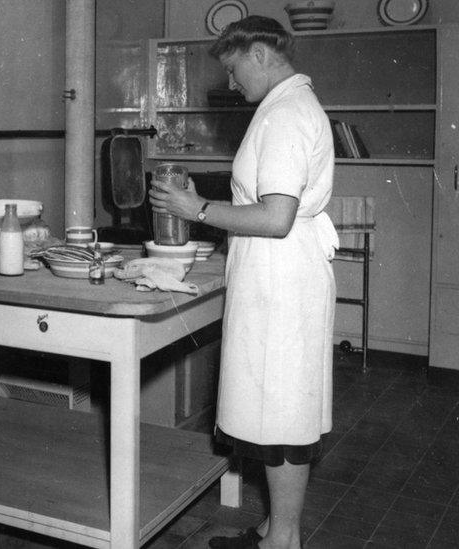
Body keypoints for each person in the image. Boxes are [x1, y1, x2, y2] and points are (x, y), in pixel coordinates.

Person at [149, 15, 339, 549]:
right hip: (283, 277)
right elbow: (267, 197)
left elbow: (275, 216)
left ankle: (283, 539)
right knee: (275, 408)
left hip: (282, 279)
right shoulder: (289, 107)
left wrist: (198, 207)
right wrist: (202, 196)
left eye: (233, 69)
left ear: (259, 53)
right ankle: (274, 526)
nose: (231, 84)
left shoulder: (282, 116)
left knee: (280, 416)